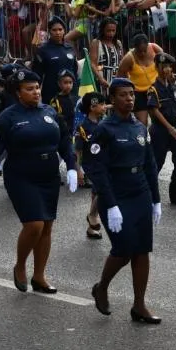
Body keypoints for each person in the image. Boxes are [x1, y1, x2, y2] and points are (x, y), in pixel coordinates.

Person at [0, 69, 78, 293]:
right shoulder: (8, 117)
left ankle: (39, 276)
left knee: (47, 226)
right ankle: (20, 265)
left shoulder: (50, 112)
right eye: (29, 89)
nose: (36, 92)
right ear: (18, 93)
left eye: (37, 88)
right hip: (21, 175)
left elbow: (64, 142)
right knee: (34, 224)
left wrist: (71, 167)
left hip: (48, 176)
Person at [85, 78, 163, 324]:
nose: (129, 99)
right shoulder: (104, 130)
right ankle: (102, 286)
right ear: (112, 99)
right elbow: (97, 169)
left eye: (131, 94)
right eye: (123, 95)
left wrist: (156, 199)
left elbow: (150, 164)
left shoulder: (140, 126)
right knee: (123, 250)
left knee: (142, 251)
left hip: (139, 192)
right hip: (115, 195)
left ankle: (139, 305)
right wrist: (111, 204)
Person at [146, 53, 176, 206]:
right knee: (156, 163)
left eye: (169, 67)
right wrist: (170, 128)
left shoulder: (174, 86)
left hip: (175, 128)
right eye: (163, 66)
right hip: (160, 131)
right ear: (156, 67)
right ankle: (148, 194)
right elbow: (154, 111)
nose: (167, 69)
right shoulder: (153, 89)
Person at [75, 91, 107, 240]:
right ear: (92, 107)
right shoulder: (83, 127)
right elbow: (78, 151)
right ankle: (93, 215)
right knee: (103, 189)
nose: (104, 106)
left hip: (104, 162)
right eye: (100, 104)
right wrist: (78, 171)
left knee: (96, 193)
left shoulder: (105, 122)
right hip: (91, 164)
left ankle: (91, 228)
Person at [115, 33, 163, 126]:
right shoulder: (129, 58)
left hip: (155, 90)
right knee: (142, 122)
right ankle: (142, 140)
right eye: (139, 51)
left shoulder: (154, 48)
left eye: (144, 50)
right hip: (138, 93)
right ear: (134, 48)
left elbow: (165, 64)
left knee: (158, 121)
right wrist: (125, 93)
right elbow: (120, 77)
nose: (142, 53)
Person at [31, 16, 79, 105]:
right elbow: (37, 75)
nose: (58, 32)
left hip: (70, 93)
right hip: (51, 93)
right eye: (54, 30)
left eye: (60, 29)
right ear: (49, 31)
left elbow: (74, 72)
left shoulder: (70, 48)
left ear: (64, 30)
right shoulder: (43, 50)